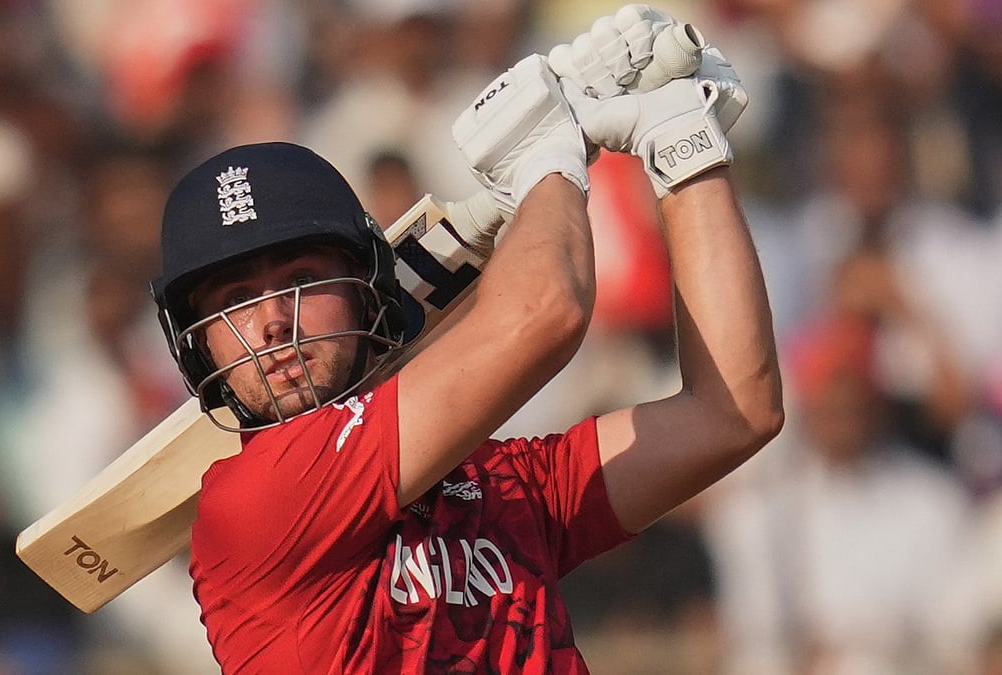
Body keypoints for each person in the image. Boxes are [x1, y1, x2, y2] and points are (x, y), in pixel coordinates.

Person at [150, 7, 782, 672]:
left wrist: (682, 143)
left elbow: (734, 412)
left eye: (303, 280)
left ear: (369, 289)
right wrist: (545, 159)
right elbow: (546, 313)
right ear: (199, 344)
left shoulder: (495, 486)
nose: (274, 322)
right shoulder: (253, 503)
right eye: (237, 301)